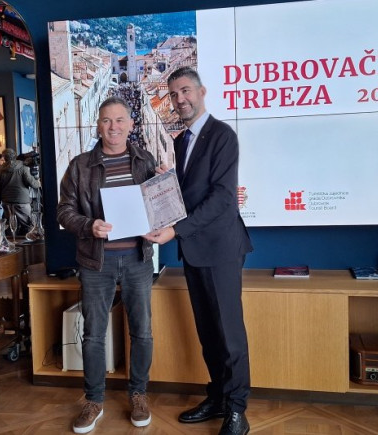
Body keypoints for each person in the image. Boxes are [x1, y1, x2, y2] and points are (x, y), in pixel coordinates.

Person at [144, 67, 253, 435]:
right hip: (194, 250)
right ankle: (219, 396)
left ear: (202, 92)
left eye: (186, 91)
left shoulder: (222, 136)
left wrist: (175, 230)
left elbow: (222, 199)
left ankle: (237, 410)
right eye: (174, 94)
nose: (180, 99)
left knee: (229, 335)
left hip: (220, 249)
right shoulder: (181, 142)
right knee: (208, 332)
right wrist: (166, 182)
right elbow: (188, 195)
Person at [57, 96, 157, 434]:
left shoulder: (146, 161)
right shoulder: (79, 166)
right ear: (98, 125)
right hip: (95, 262)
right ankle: (94, 400)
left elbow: (158, 205)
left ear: (131, 124)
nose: (113, 127)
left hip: (138, 259)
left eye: (119, 120)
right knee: (93, 334)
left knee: (142, 331)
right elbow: (64, 211)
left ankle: (138, 394)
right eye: (106, 120)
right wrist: (89, 226)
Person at [0, 148, 40, 235]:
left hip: (6, 203)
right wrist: (38, 182)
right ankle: (29, 243)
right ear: (15, 155)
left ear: (4, 157)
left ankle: (13, 242)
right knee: (29, 227)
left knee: (11, 228)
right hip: (22, 202)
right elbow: (33, 184)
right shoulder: (23, 168)